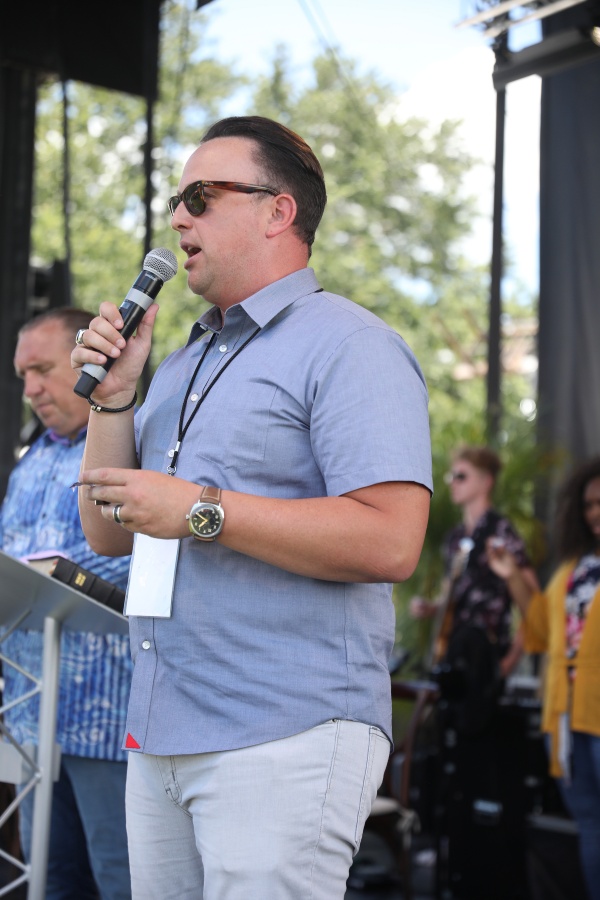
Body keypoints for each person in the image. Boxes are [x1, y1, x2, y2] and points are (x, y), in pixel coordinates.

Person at [70, 114, 433, 899]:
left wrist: (202, 510)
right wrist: (115, 398)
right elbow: (106, 530)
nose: (178, 218)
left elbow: (392, 541)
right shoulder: (181, 362)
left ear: (278, 211)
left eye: (201, 197)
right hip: (160, 728)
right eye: (177, 200)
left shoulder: (350, 344)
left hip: (284, 729)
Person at [0, 307, 133, 899]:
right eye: (22, 375)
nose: (30, 389)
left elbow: (137, 558)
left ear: (88, 359)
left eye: (42, 370)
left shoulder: (137, 441)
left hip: (109, 721)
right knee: (47, 882)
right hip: (31, 716)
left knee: (120, 881)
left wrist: (46, 572)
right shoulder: (31, 460)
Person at [488, 455, 600, 900]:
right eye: (589, 504)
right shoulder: (574, 569)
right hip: (568, 717)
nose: (595, 512)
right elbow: (539, 630)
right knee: (589, 824)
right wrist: (512, 576)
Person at [411, 444, 538, 687]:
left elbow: (533, 604)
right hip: (454, 657)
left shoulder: (501, 531)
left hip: (488, 661)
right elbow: (451, 599)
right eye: (451, 476)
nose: (453, 482)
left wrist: (510, 661)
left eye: (461, 476)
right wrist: (432, 608)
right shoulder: (454, 538)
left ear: (486, 481)